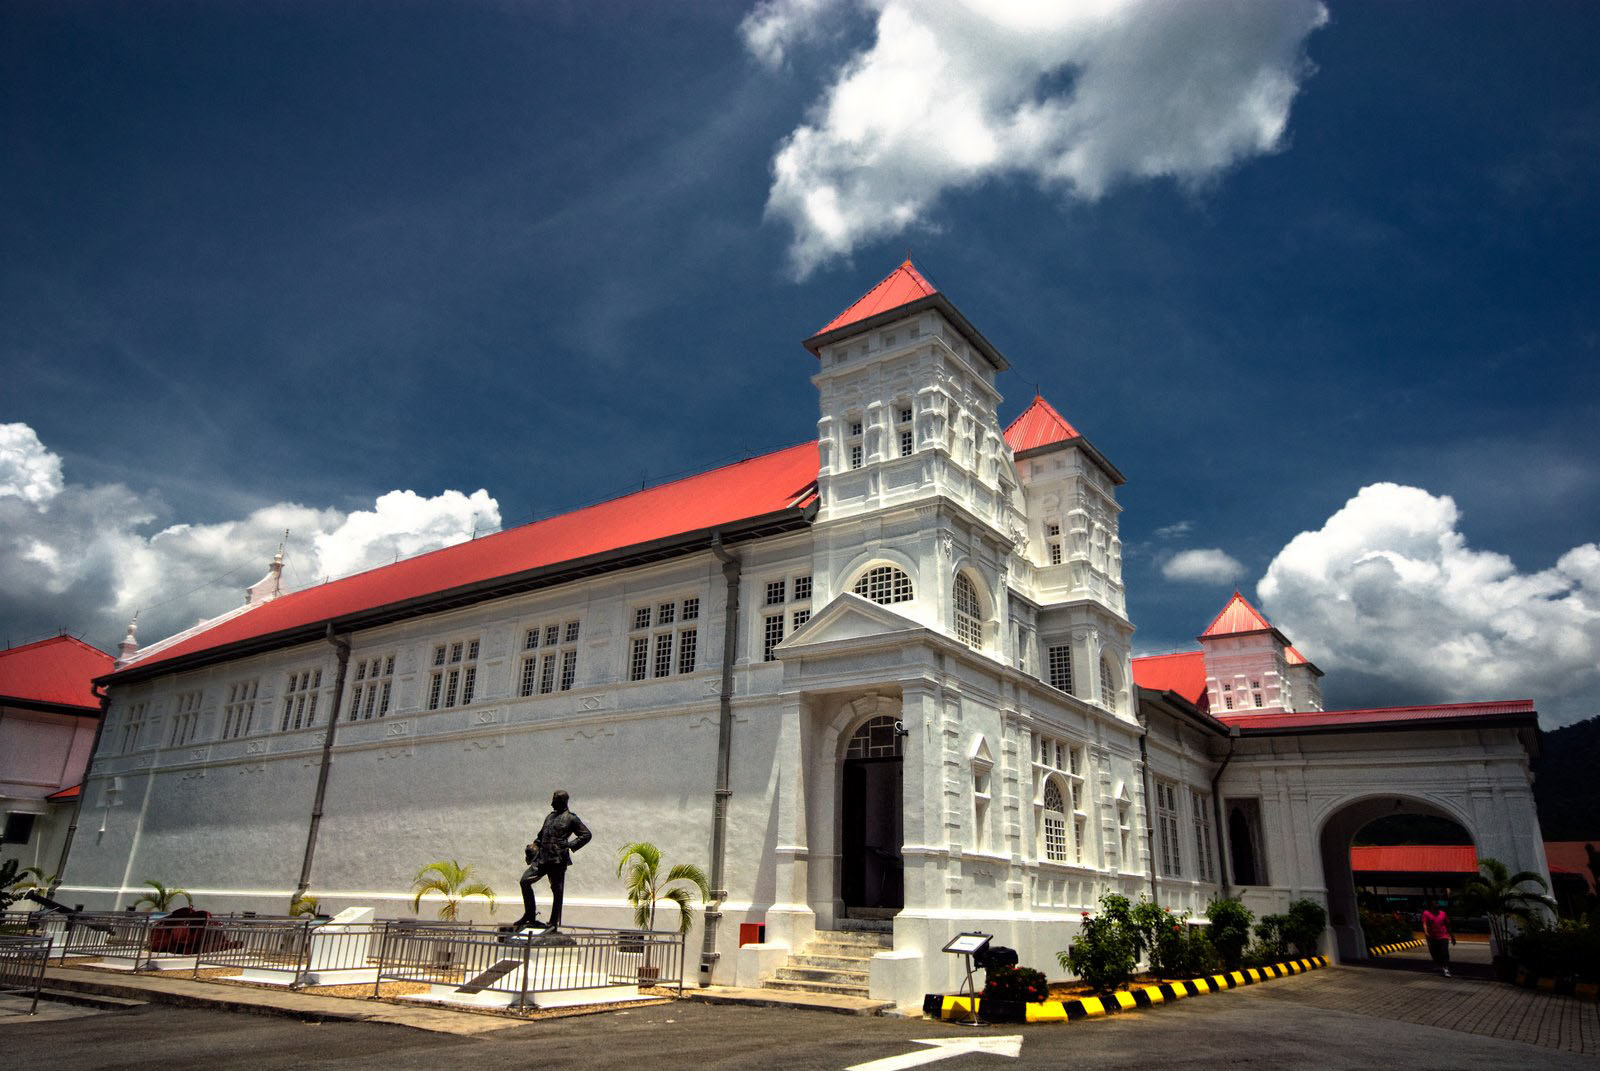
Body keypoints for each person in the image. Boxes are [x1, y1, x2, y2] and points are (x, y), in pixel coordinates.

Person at [512, 789, 591, 931]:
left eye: (554, 800)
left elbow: (586, 835)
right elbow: (541, 836)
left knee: (557, 890)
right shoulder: (549, 817)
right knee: (525, 881)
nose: (551, 803)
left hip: (557, 859)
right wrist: (534, 845)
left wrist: (569, 845)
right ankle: (530, 915)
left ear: (561, 801)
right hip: (542, 858)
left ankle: (553, 923)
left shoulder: (571, 818)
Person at [1420, 900, 1456, 977]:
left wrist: (1452, 936)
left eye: (1437, 906)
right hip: (1432, 937)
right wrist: (1426, 932)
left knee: (1444, 952)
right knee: (1435, 952)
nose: (1437, 908)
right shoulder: (1426, 913)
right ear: (1431, 907)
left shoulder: (1443, 914)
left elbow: (1448, 925)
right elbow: (1424, 923)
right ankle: (1439, 964)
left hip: (1443, 936)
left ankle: (1446, 968)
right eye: (1435, 907)